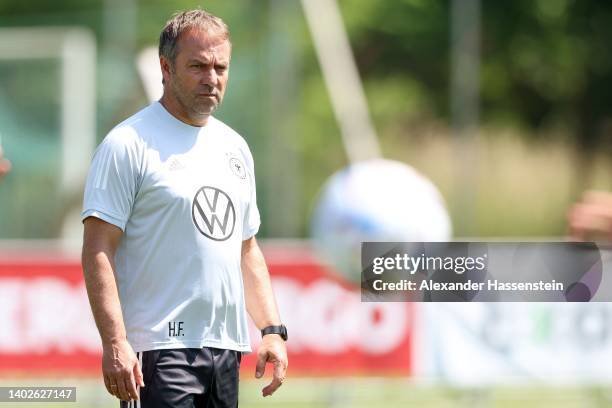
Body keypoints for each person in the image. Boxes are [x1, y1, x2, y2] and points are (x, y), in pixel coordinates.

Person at [81, 9, 287, 407]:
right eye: (198, 66)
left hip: (225, 349)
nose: (212, 78)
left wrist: (271, 329)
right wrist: (115, 342)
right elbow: (97, 249)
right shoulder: (128, 144)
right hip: (158, 351)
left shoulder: (235, 147)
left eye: (220, 67)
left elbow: (246, 247)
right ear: (166, 67)